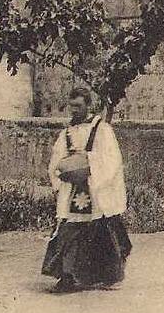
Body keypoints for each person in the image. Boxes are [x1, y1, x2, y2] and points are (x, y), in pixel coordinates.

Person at [42, 86, 132, 293]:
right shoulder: (67, 132)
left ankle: (102, 275)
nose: (74, 110)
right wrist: (63, 172)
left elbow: (112, 159)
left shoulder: (101, 129)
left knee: (100, 229)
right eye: (71, 106)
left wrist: (88, 165)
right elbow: (56, 160)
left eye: (78, 106)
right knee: (69, 229)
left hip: (94, 186)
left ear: (88, 105)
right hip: (73, 188)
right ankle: (67, 277)